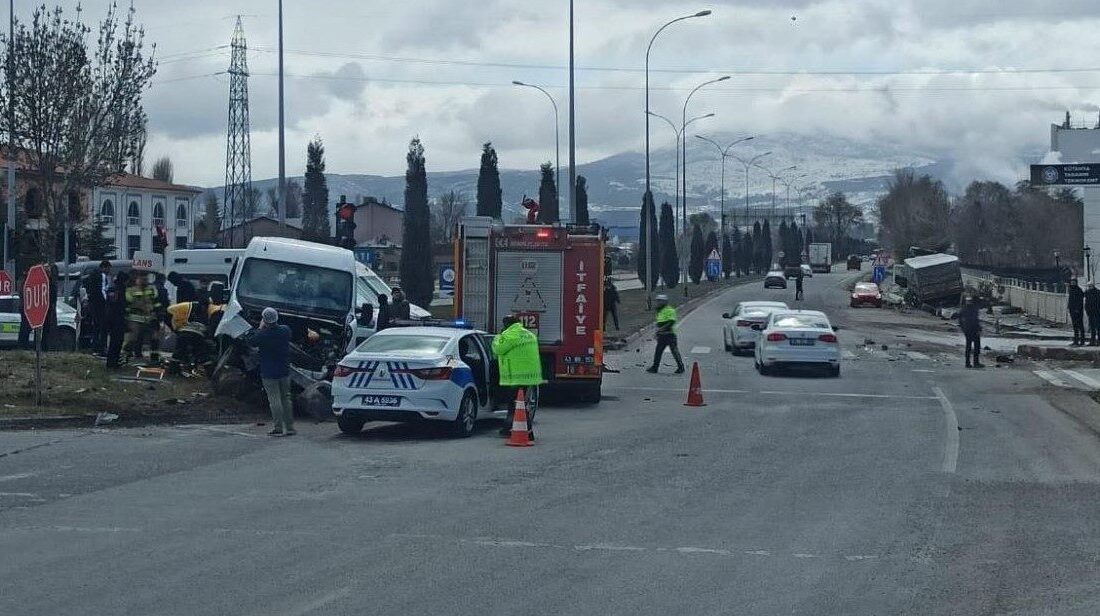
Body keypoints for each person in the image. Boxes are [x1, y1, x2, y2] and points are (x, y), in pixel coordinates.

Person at [492, 314, 543, 439]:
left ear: (506, 325)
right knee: (517, 404)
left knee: (516, 404)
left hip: (516, 377)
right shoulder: (529, 334)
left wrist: (498, 336)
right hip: (529, 376)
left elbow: (498, 349)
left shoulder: (509, 335)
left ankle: (527, 431)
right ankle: (509, 428)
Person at [248, 307, 295, 436]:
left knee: (274, 399)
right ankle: (290, 427)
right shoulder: (285, 330)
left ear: (264, 320)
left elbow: (251, 341)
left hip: (269, 371)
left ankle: (278, 427)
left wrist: (259, 327)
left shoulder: (262, 335)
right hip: (284, 369)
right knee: (286, 397)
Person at [166, 296, 211, 370]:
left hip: (184, 333)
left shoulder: (187, 308)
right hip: (198, 335)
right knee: (202, 353)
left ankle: (173, 369)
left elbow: (169, 311)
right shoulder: (206, 311)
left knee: (179, 352)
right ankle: (210, 370)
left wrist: (174, 328)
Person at [646, 294, 685, 374]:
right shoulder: (659, 311)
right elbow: (659, 322)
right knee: (658, 352)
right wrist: (657, 332)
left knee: (674, 351)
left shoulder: (670, 310)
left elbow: (671, 322)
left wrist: (660, 329)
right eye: (657, 301)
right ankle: (655, 367)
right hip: (662, 335)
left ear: (664, 302)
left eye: (659, 301)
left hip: (670, 334)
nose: (658, 302)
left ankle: (681, 367)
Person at [124, 273, 157, 362]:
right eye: (142, 279)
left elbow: (155, 301)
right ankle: (127, 352)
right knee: (134, 337)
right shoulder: (131, 290)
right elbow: (128, 301)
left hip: (148, 318)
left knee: (149, 337)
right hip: (135, 318)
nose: (144, 281)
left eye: (146, 279)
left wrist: (156, 313)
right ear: (137, 280)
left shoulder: (151, 289)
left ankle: (145, 355)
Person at [83, 260, 112, 354]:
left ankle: (95, 347)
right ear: (105, 267)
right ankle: (101, 348)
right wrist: (106, 301)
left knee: (96, 327)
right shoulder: (102, 276)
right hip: (101, 305)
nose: (109, 270)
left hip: (93, 305)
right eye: (108, 268)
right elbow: (103, 290)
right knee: (102, 327)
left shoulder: (92, 276)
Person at [104, 271, 129, 368]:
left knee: (115, 341)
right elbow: (118, 304)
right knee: (117, 341)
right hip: (117, 318)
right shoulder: (119, 289)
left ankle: (112, 362)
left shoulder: (112, 288)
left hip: (111, 318)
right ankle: (113, 362)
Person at [958, 295, 983, 368]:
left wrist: (963, 328)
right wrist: (978, 328)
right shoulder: (973, 309)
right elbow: (975, 320)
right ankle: (975, 362)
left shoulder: (964, 309)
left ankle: (968, 362)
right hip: (973, 330)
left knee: (969, 346)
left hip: (968, 330)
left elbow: (960, 320)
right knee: (976, 346)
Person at [1068, 278, 1086, 346]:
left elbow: (1079, 301)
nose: (1072, 283)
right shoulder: (1071, 290)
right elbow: (1071, 300)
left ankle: (1082, 341)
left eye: (1073, 282)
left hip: (1078, 311)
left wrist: (1077, 309)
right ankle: (1076, 341)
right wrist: (1069, 307)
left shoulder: (1078, 290)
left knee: (1080, 326)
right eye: (1071, 282)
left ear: (1076, 283)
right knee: (1075, 326)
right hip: (1072, 310)